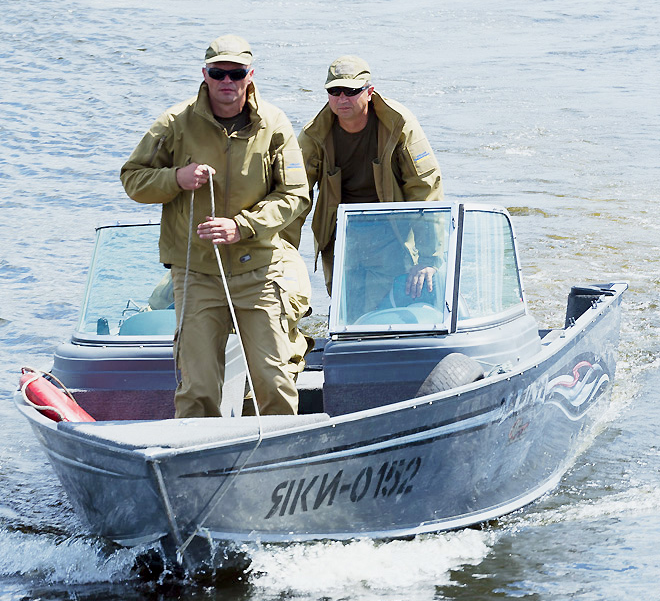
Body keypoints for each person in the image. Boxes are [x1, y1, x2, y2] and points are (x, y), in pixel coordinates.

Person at [120, 35, 311, 418]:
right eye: (218, 73)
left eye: (236, 73)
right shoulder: (175, 123)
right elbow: (132, 179)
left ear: (250, 75)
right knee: (198, 388)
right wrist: (176, 178)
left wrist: (243, 226)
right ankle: (195, 466)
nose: (227, 81)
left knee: (274, 380)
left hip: (259, 269)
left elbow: (295, 195)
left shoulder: (274, 125)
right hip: (196, 273)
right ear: (205, 75)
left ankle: (281, 460)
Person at [290, 55, 445, 308]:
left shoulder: (399, 124)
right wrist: (283, 258)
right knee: (346, 308)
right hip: (342, 235)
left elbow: (425, 188)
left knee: (394, 305)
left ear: (369, 91)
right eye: (334, 91)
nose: (342, 98)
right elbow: (294, 197)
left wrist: (429, 259)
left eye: (351, 91)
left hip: (393, 232)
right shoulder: (313, 135)